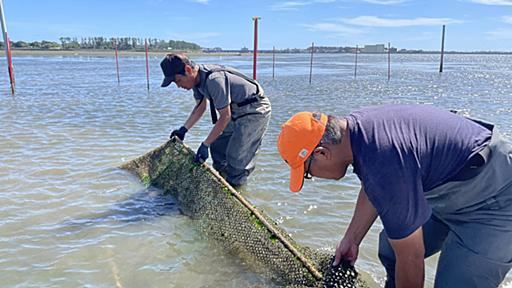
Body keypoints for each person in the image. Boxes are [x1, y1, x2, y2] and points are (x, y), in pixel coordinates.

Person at [276, 104, 512, 288]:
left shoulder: (384, 160)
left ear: (321, 153)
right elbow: (373, 184)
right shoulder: (358, 132)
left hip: (495, 199)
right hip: (451, 189)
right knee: (390, 248)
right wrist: (352, 239)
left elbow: (412, 256)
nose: (313, 178)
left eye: (307, 173)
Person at [160, 53, 271, 187]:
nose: (178, 86)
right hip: (236, 110)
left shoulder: (213, 80)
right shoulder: (196, 81)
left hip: (254, 110)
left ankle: (236, 189)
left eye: (178, 80)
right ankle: (225, 183)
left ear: (188, 70)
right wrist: (184, 129)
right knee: (218, 148)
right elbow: (200, 106)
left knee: (237, 159)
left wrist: (205, 144)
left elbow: (225, 116)